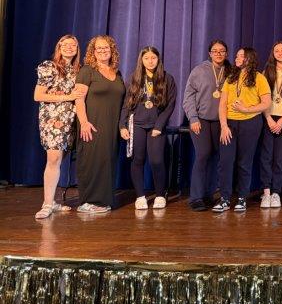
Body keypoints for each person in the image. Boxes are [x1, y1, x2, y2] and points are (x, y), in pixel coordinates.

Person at [213, 47, 270, 213]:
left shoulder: (259, 78)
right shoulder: (230, 77)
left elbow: (266, 103)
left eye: (241, 56)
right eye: (237, 55)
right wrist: (224, 126)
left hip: (250, 123)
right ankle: (224, 199)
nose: (237, 58)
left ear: (249, 59)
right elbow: (222, 104)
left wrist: (246, 109)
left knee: (244, 163)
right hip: (229, 124)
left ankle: (242, 198)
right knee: (225, 162)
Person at [119, 47, 177, 210]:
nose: (150, 61)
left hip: (156, 127)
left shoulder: (167, 78)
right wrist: (122, 125)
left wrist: (159, 125)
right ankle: (140, 196)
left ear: (158, 59)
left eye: (153, 58)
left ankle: (160, 195)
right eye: (146, 58)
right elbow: (126, 104)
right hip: (137, 125)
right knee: (137, 160)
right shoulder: (134, 78)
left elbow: (170, 105)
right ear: (141, 60)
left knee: (156, 161)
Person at [74, 35, 126, 213]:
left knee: (107, 162)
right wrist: (84, 122)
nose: (103, 51)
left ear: (112, 51)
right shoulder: (87, 71)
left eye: (106, 48)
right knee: (92, 162)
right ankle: (88, 202)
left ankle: (103, 201)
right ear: (93, 52)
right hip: (92, 125)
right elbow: (78, 99)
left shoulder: (116, 73)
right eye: (99, 48)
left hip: (111, 127)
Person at [33, 34, 81, 219]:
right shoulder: (49, 66)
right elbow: (38, 95)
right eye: (65, 44)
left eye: (73, 45)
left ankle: (52, 201)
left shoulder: (79, 69)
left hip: (71, 121)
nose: (69, 47)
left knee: (59, 160)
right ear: (59, 48)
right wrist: (67, 97)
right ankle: (47, 204)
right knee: (53, 159)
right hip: (53, 121)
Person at [183, 40, 230, 211]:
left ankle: (209, 193)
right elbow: (188, 96)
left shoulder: (230, 71)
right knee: (203, 154)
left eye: (222, 51)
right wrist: (193, 118)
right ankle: (196, 197)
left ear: (226, 53)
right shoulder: (199, 70)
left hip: (221, 121)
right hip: (201, 120)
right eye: (215, 51)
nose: (218, 53)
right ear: (209, 53)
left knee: (216, 156)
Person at [259, 41, 282, 209]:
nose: (280, 53)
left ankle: (276, 193)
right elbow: (261, 98)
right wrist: (269, 118)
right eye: (277, 50)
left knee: (280, 158)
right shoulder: (266, 72)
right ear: (273, 54)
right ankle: (266, 193)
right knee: (266, 157)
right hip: (268, 118)